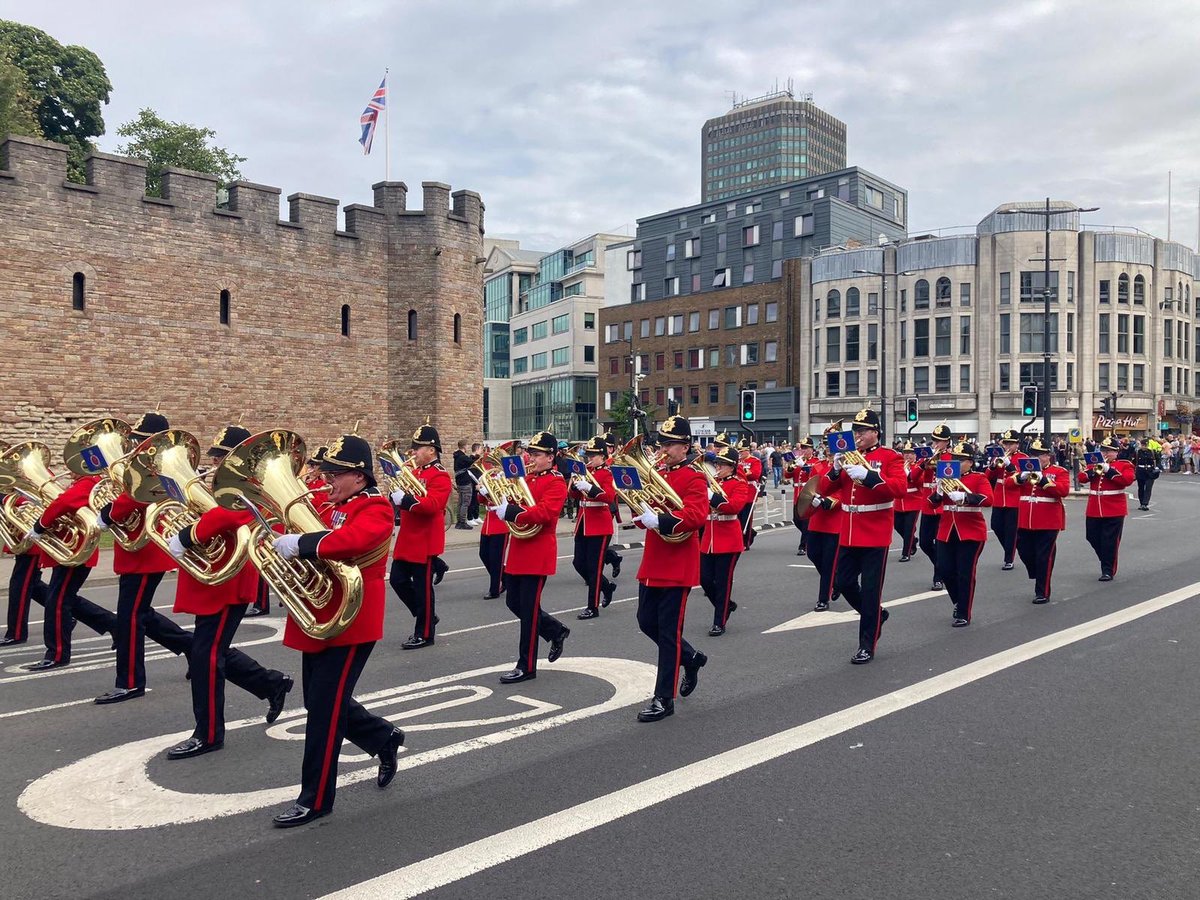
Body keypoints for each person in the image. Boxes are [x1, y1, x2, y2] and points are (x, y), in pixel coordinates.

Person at [268, 433, 405, 828]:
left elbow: (355, 540)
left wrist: (303, 543)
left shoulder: (375, 507)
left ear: (359, 477)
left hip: (351, 619)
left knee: (324, 712)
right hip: (322, 611)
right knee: (319, 701)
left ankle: (315, 799)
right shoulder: (335, 505)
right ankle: (382, 738)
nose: (325, 479)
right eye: (325, 471)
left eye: (334, 473)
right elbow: (311, 535)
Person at [164, 426, 292, 759]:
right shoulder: (225, 488)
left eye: (222, 457)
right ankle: (271, 683)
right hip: (214, 578)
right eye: (217, 456)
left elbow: (231, 515)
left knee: (206, 657)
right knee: (210, 651)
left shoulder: (250, 487)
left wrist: (189, 534)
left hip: (229, 582)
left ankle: (207, 734)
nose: (215, 462)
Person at [91, 411, 180, 702]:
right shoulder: (146, 464)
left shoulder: (157, 466)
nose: (136, 446)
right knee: (141, 616)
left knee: (130, 618)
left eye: (142, 441)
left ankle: (129, 682)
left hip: (145, 555)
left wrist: (108, 514)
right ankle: (198, 651)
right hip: (138, 553)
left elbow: (137, 496)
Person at [631, 416, 709, 721]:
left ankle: (664, 698)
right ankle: (690, 657)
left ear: (685, 445)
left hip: (678, 563)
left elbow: (696, 516)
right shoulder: (657, 473)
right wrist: (642, 515)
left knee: (667, 633)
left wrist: (660, 520)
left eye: (670, 444)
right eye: (661, 443)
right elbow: (644, 505)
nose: (663, 449)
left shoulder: (695, 477)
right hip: (653, 559)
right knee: (645, 622)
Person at [817, 408, 906, 663]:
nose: (857, 435)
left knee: (869, 590)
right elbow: (825, 488)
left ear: (875, 432)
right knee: (843, 582)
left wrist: (869, 476)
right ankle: (876, 615)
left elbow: (898, 489)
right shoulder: (846, 456)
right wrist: (835, 469)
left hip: (875, 530)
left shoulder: (890, 457)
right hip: (850, 528)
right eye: (855, 430)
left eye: (863, 431)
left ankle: (866, 644)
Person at [21, 451, 117, 670]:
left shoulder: (88, 483)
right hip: (72, 551)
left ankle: (57, 654)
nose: (70, 470)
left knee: (57, 602)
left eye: (73, 465)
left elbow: (64, 502)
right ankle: (113, 625)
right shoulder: (89, 482)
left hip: (76, 553)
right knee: (64, 598)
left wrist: (39, 526)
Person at [494, 431, 570, 684]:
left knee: (527, 610)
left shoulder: (556, 482)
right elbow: (512, 501)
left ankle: (526, 666)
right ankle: (554, 630)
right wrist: (492, 492)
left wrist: (513, 511)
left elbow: (546, 513)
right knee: (513, 603)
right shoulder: (528, 477)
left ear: (550, 457)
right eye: (531, 453)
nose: (531, 458)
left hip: (538, 552)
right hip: (519, 548)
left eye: (537, 454)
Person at [388, 423, 452, 649]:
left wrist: (404, 499)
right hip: (408, 536)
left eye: (418, 448)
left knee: (424, 589)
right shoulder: (414, 472)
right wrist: (394, 494)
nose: (413, 452)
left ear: (432, 450)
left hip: (425, 540)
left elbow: (433, 505)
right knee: (397, 580)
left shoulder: (440, 475)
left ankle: (425, 633)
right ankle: (425, 615)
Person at [927, 442, 993, 627]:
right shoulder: (945, 478)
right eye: (955, 459)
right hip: (946, 531)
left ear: (970, 462)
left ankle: (964, 612)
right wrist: (939, 492)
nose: (956, 463)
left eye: (961, 460)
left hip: (971, 532)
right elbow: (931, 504)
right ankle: (957, 601)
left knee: (965, 573)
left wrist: (966, 497)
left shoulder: (978, 478)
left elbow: (989, 499)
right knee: (945, 569)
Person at [700, 446, 754, 636]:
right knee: (704, 579)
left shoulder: (739, 484)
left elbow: (734, 507)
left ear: (731, 467)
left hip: (729, 539)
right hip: (709, 538)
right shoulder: (712, 482)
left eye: (722, 464)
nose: (718, 467)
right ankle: (726, 606)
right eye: (717, 464)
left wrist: (711, 497)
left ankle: (719, 621)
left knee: (723, 583)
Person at [1013, 438, 1070, 603]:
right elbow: (1009, 484)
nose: (1037, 458)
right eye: (1034, 455)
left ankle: (1042, 591)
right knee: (1024, 551)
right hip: (1026, 519)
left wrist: (1043, 480)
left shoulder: (1059, 471)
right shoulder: (1023, 469)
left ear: (1048, 456)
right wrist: (1021, 478)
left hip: (1048, 520)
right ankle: (1037, 573)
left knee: (1044, 557)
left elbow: (1063, 490)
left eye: (1040, 455)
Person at [568, 436, 617, 620]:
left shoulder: (607, 473)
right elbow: (574, 496)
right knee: (578, 563)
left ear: (603, 456)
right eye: (588, 454)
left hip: (599, 524)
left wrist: (589, 487)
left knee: (594, 567)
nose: (589, 458)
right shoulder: (586, 471)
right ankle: (606, 586)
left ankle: (592, 607)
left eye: (593, 455)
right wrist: (574, 484)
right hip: (583, 522)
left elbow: (609, 497)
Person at [1078, 435, 1134, 581]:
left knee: (1110, 541)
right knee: (1092, 537)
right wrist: (1093, 472)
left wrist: (1109, 470)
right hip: (1094, 508)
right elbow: (1081, 478)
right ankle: (1106, 559)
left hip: (1114, 508)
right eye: (1103, 450)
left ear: (1116, 452)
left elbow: (1126, 481)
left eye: (1109, 451)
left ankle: (1107, 569)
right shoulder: (1094, 464)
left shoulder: (1124, 464)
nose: (1105, 453)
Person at [806, 423, 844, 612]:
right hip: (817, 517)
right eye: (826, 442)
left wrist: (833, 500)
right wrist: (810, 499)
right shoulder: (818, 466)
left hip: (834, 518)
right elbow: (810, 487)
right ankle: (835, 582)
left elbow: (847, 489)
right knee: (813, 553)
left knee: (829, 561)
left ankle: (823, 598)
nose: (828, 446)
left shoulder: (845, 465)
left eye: (832, 442)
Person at [916, 424, 953, 591]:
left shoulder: (951, 457)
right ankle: (943, 566)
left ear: (947, 442)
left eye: (940, 441)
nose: (936, 444)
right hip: (927, 505)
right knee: (924, 542)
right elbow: (912, 477)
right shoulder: (925, 458)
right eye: (935, 440)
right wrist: (923, 465)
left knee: (940, 544)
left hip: (942, 505)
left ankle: (938, 576)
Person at [986, 429, 1026, 571]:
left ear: (1017, 444)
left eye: (1011, 444)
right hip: (999, 497)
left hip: (1013, 497)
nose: (1007, 447)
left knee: (1010, 531)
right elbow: (988, 476)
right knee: (996, 526)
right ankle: (1011, 547)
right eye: (1006, 444)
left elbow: (1021, 477)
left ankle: (1009, 558)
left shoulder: (1022, 458)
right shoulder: (998, 456)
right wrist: (992, 466)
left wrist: (1009, 465)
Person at [476, 468, 507, 600]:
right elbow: (481, 501)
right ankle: (506, 578)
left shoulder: (507, 479)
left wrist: (489, 491)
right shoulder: (492, 478)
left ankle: (494, 589)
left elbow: (509, 498)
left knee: (496, 559)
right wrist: (481, 492)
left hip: (501, 522)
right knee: (483, 554)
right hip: (489, 521)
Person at [894, 442, 922, 562]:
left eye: (911, 453)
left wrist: (909, 475)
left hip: (913, 500)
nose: (908, 456)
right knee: (898, 525)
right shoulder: (898, 466)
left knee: (909, 528)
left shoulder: (918, 467)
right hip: (900, 501)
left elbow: (920, 483)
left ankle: (906, 553)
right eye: (906, 453)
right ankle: (913, 541)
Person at [736, 438, 763, 549]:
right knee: (737, 518)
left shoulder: (754, 461)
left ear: (747, 451)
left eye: (742, 451)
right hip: (738, 491)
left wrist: (742, 472)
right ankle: (741, 539)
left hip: (749, 492)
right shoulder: (737, 461)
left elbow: (755, 475)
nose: (740, 453)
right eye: (739, 451)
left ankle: (745, 542)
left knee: (746, 519)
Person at [452, 439, 478, 529]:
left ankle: (459, 522)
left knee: (460, 503)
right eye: (467, 446)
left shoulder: (457, 456)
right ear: (464, 446)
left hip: (459, 481)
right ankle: (462, 522)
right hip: (465, 482)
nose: (467, 448)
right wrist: (474, 455)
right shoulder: (462, 457)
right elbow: (471, 461)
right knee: (465, 503)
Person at [1134, 442, 1159, 510]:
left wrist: (1157, 468)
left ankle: (1145, 504)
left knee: (1148, 488)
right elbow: (1134, 462)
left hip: (1150, 471)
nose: (1144, 447)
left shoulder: (1152, 452)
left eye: (1145, 445)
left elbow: (1157, 460)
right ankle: (1141, 503)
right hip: (1140, 471)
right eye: (1142, 445)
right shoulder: (1137, 452)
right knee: (1141, 488)